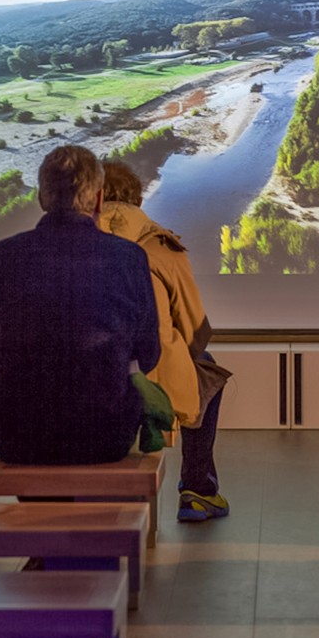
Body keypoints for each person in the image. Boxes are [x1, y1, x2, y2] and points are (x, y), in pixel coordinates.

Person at [0, 145, 160, 465]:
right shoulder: (129, 258)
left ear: (41, 198)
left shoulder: (3, 256)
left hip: (18, 433)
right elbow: (148, 354)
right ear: (100, 199)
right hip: (105, 431)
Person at [99, 160, 229, 522]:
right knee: (207, 367)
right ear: (137, 199)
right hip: (147, 382)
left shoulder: (66, 248)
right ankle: (197, 489)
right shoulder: (159, 245)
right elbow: (195, 328)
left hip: (74, 384)